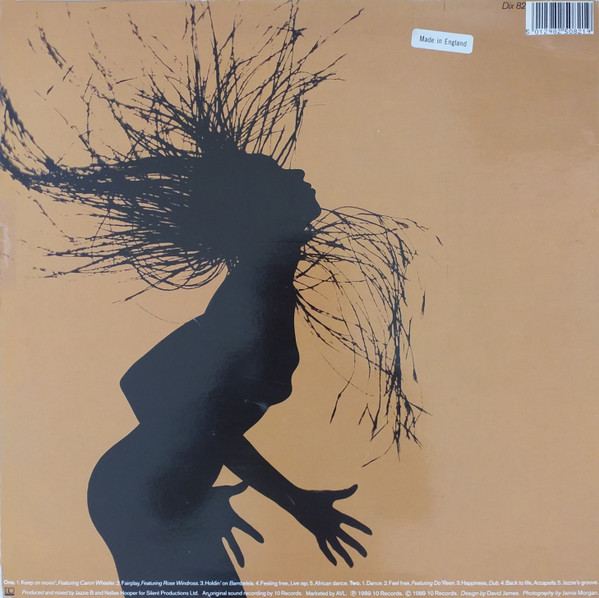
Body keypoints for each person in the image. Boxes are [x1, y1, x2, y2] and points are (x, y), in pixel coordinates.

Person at [87, 152, 372, 586]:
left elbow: (205, 424)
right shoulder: (251, 291)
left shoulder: (269, 287)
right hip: (141, 493)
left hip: (160, 491)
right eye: (280, 174)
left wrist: (193, 484)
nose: (298, 171)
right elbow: (145, 388)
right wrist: (293, 500)